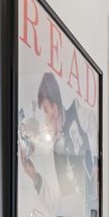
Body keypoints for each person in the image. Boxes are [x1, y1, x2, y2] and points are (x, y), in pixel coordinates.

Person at [20, 71, 94, 203]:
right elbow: (59, 205)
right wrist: (34, 176)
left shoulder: (79, 115)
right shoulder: (57, 150)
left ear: (55, 108)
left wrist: (97, 167)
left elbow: (95, 125)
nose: (45, 120)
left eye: (46, 111)